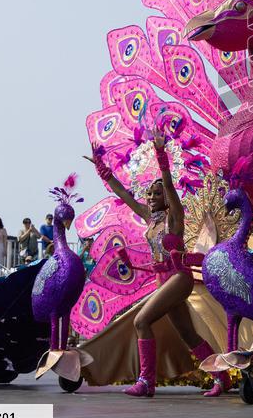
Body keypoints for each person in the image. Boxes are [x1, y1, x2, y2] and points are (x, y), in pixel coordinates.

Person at [86, 129, 230, 397]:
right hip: (163, 281)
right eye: (149, 194)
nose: (150, 198)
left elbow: (169, 186)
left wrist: (161, 155)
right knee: (188, 335)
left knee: (141, 321)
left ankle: (146, 382)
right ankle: (222, 377)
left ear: (165, 197)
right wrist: (102, 170)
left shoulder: (173, 218)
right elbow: (123, 193)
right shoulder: (149, 217)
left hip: (179, 277)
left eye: (155, 194)